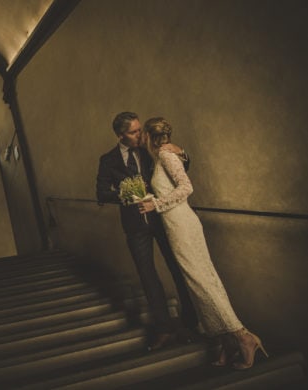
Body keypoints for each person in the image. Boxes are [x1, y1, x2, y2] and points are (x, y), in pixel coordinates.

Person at [138, 117, 267, 369]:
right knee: (197, 283)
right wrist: (152, 197)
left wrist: (156, 204)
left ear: (151, 137)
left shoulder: (166, 154)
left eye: (143, 133)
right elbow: (169, 188)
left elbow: (187, 188)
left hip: (183, 224)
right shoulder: (160, 156)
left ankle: (243, 336)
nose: (140, 137)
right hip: (174, 225)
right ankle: (226, 343)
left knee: (202, 281)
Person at [96, 111, 198, 351]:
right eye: (134, 132)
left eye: (140, 129)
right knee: (148, 275)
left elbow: (183, 169)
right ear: (121, 136)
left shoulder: (149, 149)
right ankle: (164, 329)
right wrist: (126, 193)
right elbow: (101, 193)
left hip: (164, 219)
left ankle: (190, 324)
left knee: (177, 268)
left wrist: (181, 152)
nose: (140, 134)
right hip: (134, 226)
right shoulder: (108, 160)